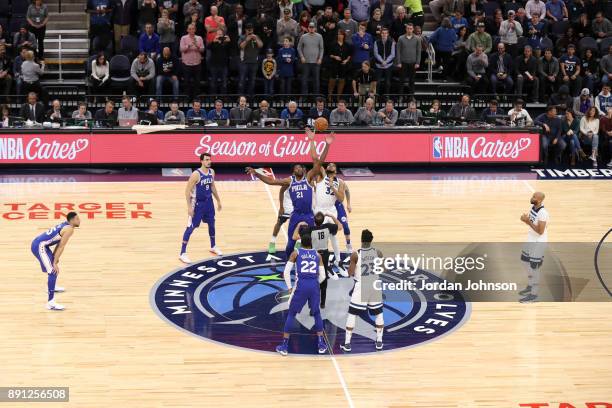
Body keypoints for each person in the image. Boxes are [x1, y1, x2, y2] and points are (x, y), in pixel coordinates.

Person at [247, 128, 332, 256]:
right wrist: (257, 174)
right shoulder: (289, 181)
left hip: (309, 215)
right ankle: (288, 261)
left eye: (300, 167)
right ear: (293, 171)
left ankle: (311, 264)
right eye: (297, 167)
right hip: (296, 215)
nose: (300, 168)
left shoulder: (308, 178)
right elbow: (271, 181)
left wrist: (325, 144)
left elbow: (319, 162)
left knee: (312, 243)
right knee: (290, 245)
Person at [275, 232, 327, 356]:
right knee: (317, 313)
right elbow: (323, 276)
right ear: (311, 243)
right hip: (314, 286)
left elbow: (286, 272)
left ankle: (284, 346)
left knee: (292, 314)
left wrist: (289, 288)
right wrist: (314, 283)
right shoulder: (318, 255)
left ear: (301, 243)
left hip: (301, 286)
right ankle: (320, 344)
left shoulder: (296, 253)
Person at [340, 229, 385, 351]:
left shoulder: (356, 254)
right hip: (374, 285)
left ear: (361, 240)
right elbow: (382, 269)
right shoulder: (378, 253)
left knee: (352, 314)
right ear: (371, 240)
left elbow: (350, 273)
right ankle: (379, 341)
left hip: (361, 285)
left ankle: (347, 343)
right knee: (379, 313)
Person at [31, 212, 80, 310]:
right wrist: (54, 261)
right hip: (39, 246)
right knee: (53, 271)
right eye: (77, 219)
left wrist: (55, 258)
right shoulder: (69, 229)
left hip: (41, 244)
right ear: (72, 220)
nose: (79, 221)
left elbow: (58, 245)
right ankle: (50, 303)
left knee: (53, 269)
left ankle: (52, 286)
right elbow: (61, 246)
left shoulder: (65, 224)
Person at [179, 153, 223, 263]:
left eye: (210, 159)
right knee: (191, 227)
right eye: (207, 160)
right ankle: (182, 253)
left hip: (209, 203)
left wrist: (218, 200)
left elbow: (212, 186)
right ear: (201, 161)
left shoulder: (212, 172)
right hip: (197, 205)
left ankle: (213, 246)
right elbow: (187, 191)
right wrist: (189, 207)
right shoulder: (196, 174)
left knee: (212, 223)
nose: (209, 161)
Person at [292, 211, 341, 308]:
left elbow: (294, 237)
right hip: (325, 254)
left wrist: (298, 225)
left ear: (314, 221)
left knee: (313, 277)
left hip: (314, 254)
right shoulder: (328, 227)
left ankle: (312, 303)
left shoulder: (310, 229)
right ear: (323, 220)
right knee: (324, 277)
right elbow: (339, 226)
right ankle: (322, 303)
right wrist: (331, 216)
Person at [518, 192, 548, 303]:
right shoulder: (533, 208)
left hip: (538, 242)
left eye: (534, 197)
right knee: (524, 261)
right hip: (531, 240)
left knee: (534, 267)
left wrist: (528, 221)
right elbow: (532, 223)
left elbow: (540, 231)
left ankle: (534, 295)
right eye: (532, 196)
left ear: (539, 200)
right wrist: (525, 220)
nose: (532, 198)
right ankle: (531, 285)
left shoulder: (543, 213)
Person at [180, 23, 205, 99]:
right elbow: (181, 49)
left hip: (197, 63)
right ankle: (187, 98)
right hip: (187, 64)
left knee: (197, 82)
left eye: (193, 29)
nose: (191, 30)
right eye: (190, 29)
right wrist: (189, 45)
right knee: (186, 82)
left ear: (195, 30)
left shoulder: (199, 38)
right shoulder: (184, 38)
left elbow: (202, 50)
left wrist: (197, 45)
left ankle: (196, 98)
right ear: (187, 30)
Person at [298, 21, 324, 94]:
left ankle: (316, 97)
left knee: (316, 80)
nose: (311, 29)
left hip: (316, 62)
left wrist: (320, 58)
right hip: (306, 62)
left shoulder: (319, 36)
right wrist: (302, 57)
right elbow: (299, 48)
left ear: (315, 28)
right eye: (310, 27)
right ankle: (304, 97)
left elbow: (322, 48)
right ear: (308, 28)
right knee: (304, 80)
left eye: (313, 27)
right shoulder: (303, 36)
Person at [238, 23, 263, 96]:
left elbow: (261, 45)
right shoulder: (242, 37)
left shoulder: (256, 37)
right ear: (245, 30)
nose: (250, 31)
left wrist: (256, 39)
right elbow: (241, 47)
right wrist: (247, 40)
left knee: (252, 81)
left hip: (254, 62)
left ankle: (250, 98)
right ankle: (241, 97)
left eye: (251, 30)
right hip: (244, 62)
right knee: (242, 81)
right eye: (248, 30)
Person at [396, 23, 421, 95]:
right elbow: (398, 51)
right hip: (403, 63)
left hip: (413, 63)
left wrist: (417, 62)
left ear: (413, 29)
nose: (409, 30)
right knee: (401, 81)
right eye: (408, 28)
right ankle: (400, 96)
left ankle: (411, 96)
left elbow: (419, 51)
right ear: (406, 29)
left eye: (410, 28)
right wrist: (399, 62)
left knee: (412, 81)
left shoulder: (417, 39)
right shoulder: (401, 38)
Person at [373, 27, 396, 96]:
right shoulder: (376, 42)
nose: (384, 34)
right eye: (383, 33)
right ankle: (376, 96)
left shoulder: (392, 42)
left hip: (388, 65)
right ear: (380, 34)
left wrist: (386, 62)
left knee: (388, 82)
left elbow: (392, 54)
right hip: (379, 65)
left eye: (385, 33)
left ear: (388, 34)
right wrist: (382, 61)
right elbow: (376, 53)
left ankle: (387, 96)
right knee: (378, 82)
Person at [208, 30, 231, 95]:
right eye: (218, 34)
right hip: (214, 65)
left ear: (223, 35)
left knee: (224, 83)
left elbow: (232, 49)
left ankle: (223, 97)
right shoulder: (214, 42)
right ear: (216, 35)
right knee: (213, 83)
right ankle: (213, 97)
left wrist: (229, 42)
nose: (219, 35)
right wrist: (213, 41)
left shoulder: (226, 43)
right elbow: (208, 47)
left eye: (221, 34)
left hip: (224, 66)